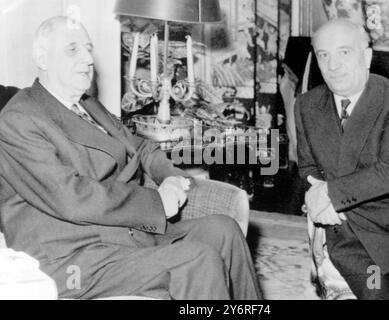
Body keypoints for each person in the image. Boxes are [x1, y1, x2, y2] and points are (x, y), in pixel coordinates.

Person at [0, 16, 262, 300]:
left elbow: (140, 146)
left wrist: (171, 177)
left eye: (88, 48)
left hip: (120, 236)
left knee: (224, 230)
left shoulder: (87, 105)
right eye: (73, 49)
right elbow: (73, 198)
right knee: (195, 260)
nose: (88, 58)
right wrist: (157, 202)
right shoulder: (18, 119)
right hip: (71, 259)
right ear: (42, 57)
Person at [295, 19, 389, 299]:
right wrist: (314, 192)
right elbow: (307, 166)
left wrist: (326, 193)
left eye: (344, 52)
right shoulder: (306, 105)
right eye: (323, 55)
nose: (333, 65)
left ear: (367, 56)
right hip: (351, 238)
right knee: (378, 295)